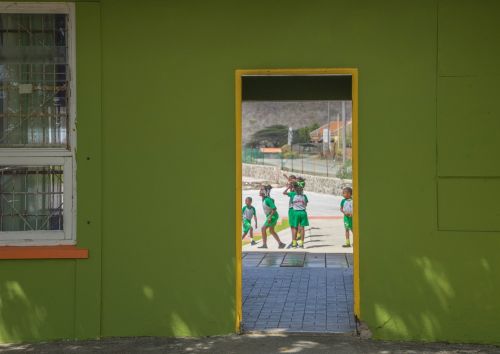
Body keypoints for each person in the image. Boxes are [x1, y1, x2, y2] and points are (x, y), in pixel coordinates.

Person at [259, 185, 286, 249]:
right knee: (271, 230)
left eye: (261, 189)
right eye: (260, 189)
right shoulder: (265, 199)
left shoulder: (267, 200)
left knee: (263, 228)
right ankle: (280, 244)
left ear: (265, 192)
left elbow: (274, 208)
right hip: (272, 215)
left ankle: (264, 245)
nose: (260, 191)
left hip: (272, 216)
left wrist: (270, 217)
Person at [288, 181, 309, 248]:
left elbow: (291, 202)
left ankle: (294, 243)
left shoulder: (293, 195)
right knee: (302, 228)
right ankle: (302, 243)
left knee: (294, 228)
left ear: (295, 190)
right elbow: (306, 204)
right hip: (303, 212)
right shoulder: (304, 196)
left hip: (296, 212)